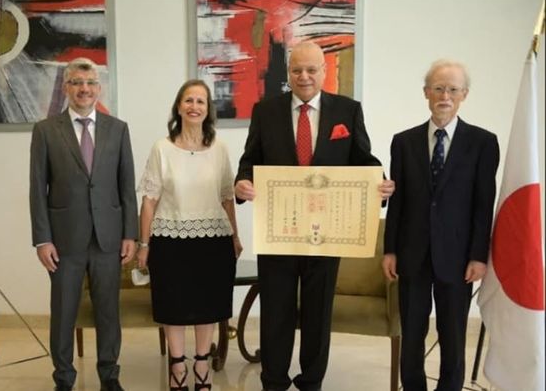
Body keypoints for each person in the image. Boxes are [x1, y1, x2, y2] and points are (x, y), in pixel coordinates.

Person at [234, 41, 395, 391]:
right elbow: (250, 160)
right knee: (275, 312)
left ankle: (311, 382)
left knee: (317, 314)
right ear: (288, 73)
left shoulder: (348, 111)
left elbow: (363, 159)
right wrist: (242, 182)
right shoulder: (266, 111)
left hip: (326, 233)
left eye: (311, 70)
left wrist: (380, 181)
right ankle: (273, 381)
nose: (304, 76)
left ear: (324, 71)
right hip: (278, 231)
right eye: (296, 70)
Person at [383, 59, 500, 391]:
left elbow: (483, 204)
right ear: (426, 92)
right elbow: (398, 202)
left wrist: (479, 255)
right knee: (411, 334)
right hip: (412, 254)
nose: (444, 96)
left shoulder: (482, 143)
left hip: (459, 257)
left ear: (464, 94)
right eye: (438, 88)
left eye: (452, 89)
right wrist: (390, 250)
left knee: (453, 335)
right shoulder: (403, 142)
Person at [29, 57, 138, 391]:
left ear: (98, 88)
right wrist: (42, 239)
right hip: (64, 241)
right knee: (64, 312)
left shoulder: (118, 129)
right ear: (66, 87)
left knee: (108, 312)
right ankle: (64, 378)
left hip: (108, 239)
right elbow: (37, 188)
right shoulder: (46, 130)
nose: (84, 89)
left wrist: (130, 234)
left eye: (90, 83)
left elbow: (126, 186)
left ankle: (110, 375)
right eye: (77, 82)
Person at [136, 79, 242, 391]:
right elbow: (149, 200)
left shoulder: (219, 148)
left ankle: (202, 364)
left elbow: (227, 197)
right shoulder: (162, 148)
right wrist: (144, 244)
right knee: (174, 305)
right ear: (179, 107)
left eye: (200, 101)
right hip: (169, 239)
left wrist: (235, 236)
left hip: (214, 239)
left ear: (208, 110)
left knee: (208, 305)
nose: (194, 106)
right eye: (189, 100)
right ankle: (177, 365)